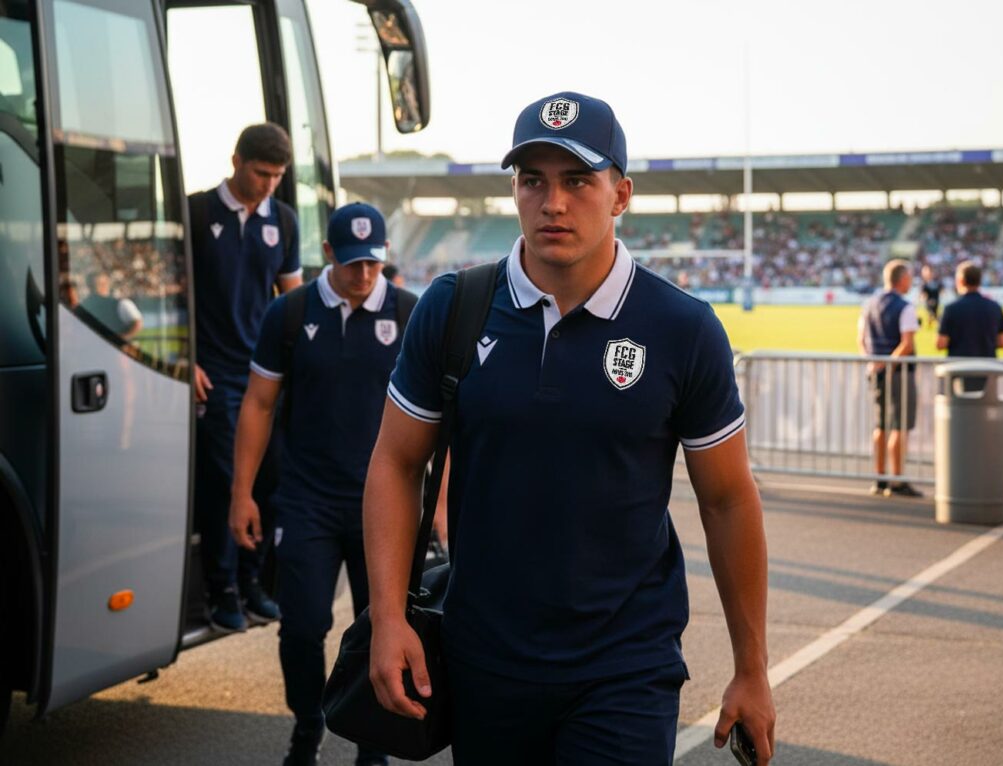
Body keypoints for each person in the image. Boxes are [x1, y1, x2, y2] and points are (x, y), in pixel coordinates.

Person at [363, 91, 775, 765]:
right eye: (533, 181)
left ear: (620, 195)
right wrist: (387, 617)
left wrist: (752, 668)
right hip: (485, 660)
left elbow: (728, 498)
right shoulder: (454, 308)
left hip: (626, 665)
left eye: (578, 179)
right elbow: (394, 463)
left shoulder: (682, 328)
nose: (553, 202)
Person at [230, 202, 410, 766]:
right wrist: (241, 494)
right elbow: (258, 404)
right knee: (302, 628)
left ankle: (372, 743)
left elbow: (442, 414)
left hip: (384, 506)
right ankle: (308, 724)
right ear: (328, 255)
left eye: (374, 264)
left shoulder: (410, 314)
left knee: (379, 630)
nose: (363, 276)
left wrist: (444, 500)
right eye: (352, 263)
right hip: (306, 501)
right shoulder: (289, 314)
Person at [191, 122, 302, 632]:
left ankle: (254, 582)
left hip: (266, 374)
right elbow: (175, 294)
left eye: (278, 176)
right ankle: (222, 588)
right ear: (236, 161)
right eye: (262, 173)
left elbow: (293, 299)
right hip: (213, 373)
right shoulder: (195, 211)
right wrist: (183, 360)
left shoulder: (284, 219)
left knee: (270, 480)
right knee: (224, 483)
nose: (269, 184)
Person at [858, 258, 923, 498]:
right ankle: (896, 479)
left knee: (880, 425)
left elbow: (861, 340)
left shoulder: (869, 304)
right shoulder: (905, 307)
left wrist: (873, 364)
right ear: (902, 279)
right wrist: (889, 365)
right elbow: (907, 344)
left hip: (875, 372)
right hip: (898, 374)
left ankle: (880, 478)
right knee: (899, 426)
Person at [936, 260, 1003, 358]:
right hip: (987, 367)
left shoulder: (951, 309)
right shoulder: (995, 307)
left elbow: (941, 343)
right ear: (979, 281)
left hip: (959, 367)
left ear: (961, 281)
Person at [81, 271, 143, 340]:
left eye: (101, 284)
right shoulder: (84, 306)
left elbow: (137, 323)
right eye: (91, 286)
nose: (95, 289)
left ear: (107, 284)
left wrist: (121, 339)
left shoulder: (121, 304)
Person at [919, 264, 942, 329]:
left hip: (936, 301)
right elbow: (923, 293)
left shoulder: (936, 282)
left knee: (933, 314)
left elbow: (940, 290)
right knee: (931, 314)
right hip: (929, 301)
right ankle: (937, 323)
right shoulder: (925, 283)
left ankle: (939, 323)